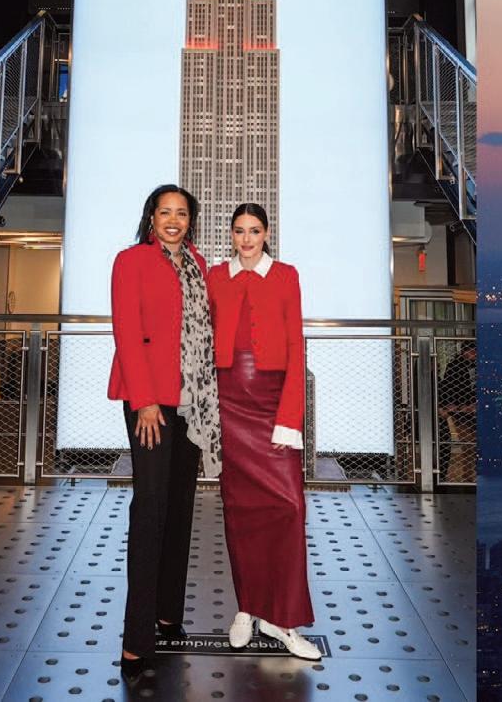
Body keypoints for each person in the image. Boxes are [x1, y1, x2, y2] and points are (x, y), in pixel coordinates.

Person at [107, 185, 222, 683]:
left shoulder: (197, 262)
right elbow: (126, 331)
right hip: (150, 401)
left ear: (190, 220)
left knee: (180, 509)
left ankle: (167, 616)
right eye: (165, 212)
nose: (173, 220)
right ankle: (137, 639)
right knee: (150, 508)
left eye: (182, 213)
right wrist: (144, 400)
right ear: (151, 217)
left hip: (191, 403)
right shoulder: (130, 260)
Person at [206, 203, 320, 660]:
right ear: (231, 235)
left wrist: (290, 419)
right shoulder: (216, 276)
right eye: (239, 231)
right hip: (228, 402)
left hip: (273, 403)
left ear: (267, 232)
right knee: (240, 512)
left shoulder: (286, 275)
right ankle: (247, 609)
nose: (247, 238)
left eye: (254, 230)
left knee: (290, 508)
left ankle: (283, 620)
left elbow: (296, 343)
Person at [438, 343, 477, 482]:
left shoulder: (471, 366)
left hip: (467, 409)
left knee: (471, 443)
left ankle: (469, 475)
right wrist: (458, 406)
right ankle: (468, 476)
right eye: (473, 352)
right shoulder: (456, 366)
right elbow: (451, 387)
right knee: (468, 442)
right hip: (461, 410)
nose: (474, 355)